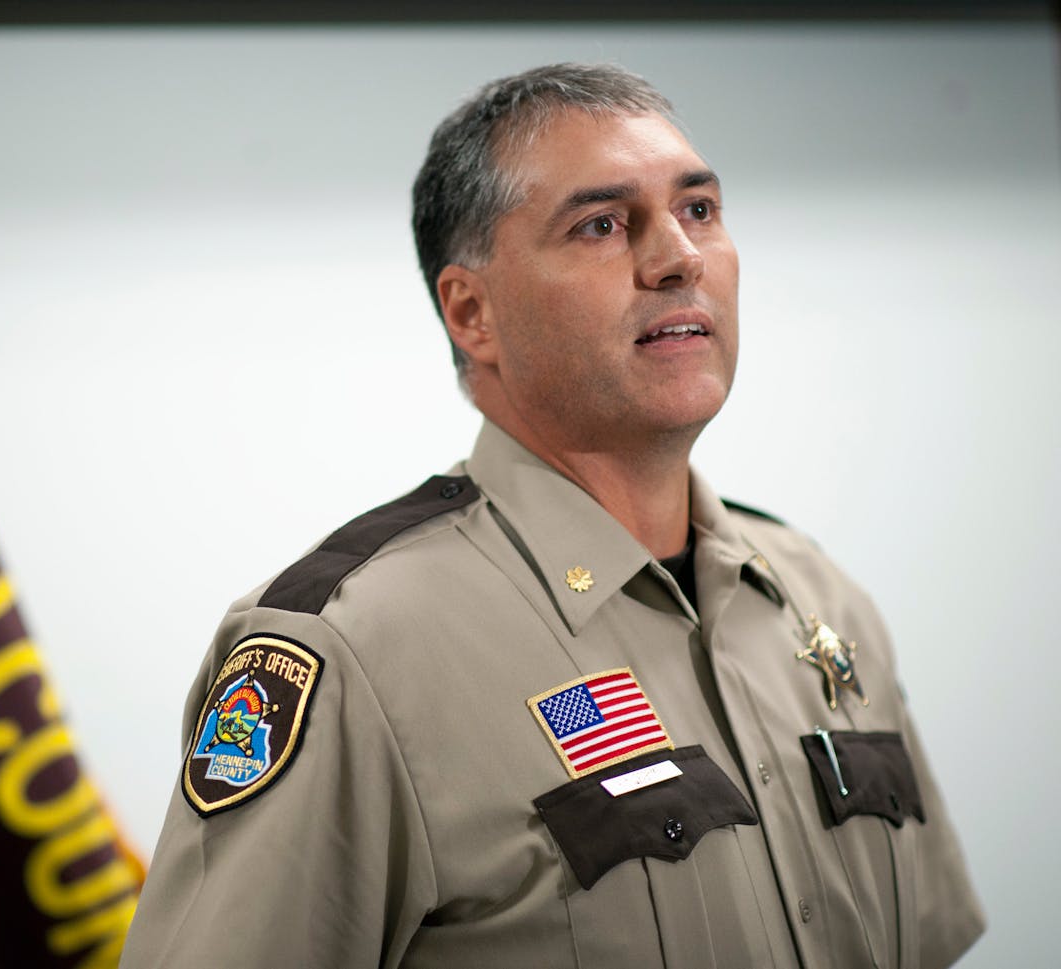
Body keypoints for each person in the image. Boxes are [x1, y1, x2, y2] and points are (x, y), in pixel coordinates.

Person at [119, 63, 984, 968]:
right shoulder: (354, 650)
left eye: (699, 210)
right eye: (602, 225)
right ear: (472, 311)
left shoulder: (818, 601)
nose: (679, 258)